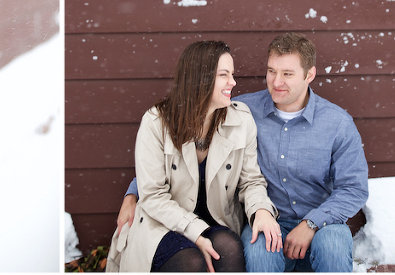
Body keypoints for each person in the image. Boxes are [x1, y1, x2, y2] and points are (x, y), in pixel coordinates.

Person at [116, 33, 369, 272]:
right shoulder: (242, 109)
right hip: (264, 218)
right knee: (257, 249)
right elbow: (167, 160)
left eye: (287, 74)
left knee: (333, 245)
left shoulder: (336, 123)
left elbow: (353, 188)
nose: (277, 82)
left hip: (318, 220)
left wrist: (310, 223)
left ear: (309, 74)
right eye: (271, 71)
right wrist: (134, 191)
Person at [106, 41, 281, 272]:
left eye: (232, 74)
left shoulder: (241, 120)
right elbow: (153, 195)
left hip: (216, 219)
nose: (233, 82)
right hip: (162, 224)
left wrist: (261, 210)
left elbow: (251, 180)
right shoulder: (156, 122)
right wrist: (195, 233)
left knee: (227, 249)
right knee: (192, 261)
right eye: (224, 75)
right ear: (200, 78)